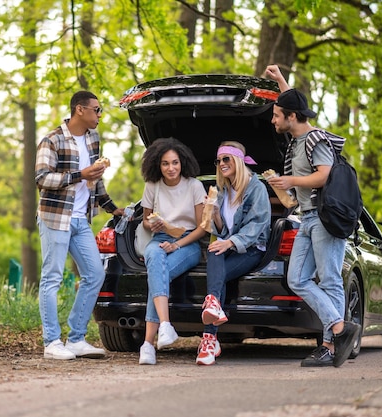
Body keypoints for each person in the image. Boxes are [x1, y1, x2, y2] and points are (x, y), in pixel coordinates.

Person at [264, 65, 361, 367]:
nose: (273, 119)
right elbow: (292, 103)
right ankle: (340, 327)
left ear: (291, 117)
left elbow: (324, 175)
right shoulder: (297, 136)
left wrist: (291, 181)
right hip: (306, 218)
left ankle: (331, 347)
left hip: (323, 218)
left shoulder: (315, 140)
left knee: (331, 280)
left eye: (277, 115)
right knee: (297, 279)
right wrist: (281, 81)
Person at [35, 91, 124, 360]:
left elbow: (95, 179)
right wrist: (78, 175)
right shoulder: (52, 140)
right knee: (52, 278)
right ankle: (51, 342)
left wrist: (111, 207)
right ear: (79, 110)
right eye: (96, 110)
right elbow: (41, 178)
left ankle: (75, 339)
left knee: (95, 274)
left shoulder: (93, 139)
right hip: (55, 217)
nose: (100, 115)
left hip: (81, 219)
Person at [196, 141, 271, 365]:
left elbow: (257, 226)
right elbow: (222, 230)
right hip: (227, 248)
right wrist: (215, 213)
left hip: (251, 249)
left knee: (216, 258)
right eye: (218, 160)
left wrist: (229, 242)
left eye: (226, 159)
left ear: (238, 159)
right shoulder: (223, 191)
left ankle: (209, 339)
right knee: (214, 250)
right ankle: (212, 314)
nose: (221, 164)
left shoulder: (256, 188)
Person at [138, 137, 207, 365]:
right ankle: (165, 327)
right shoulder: (152, 186)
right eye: (166, 163)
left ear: (182, 162)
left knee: (157, 274)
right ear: (158, 165)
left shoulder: (194, 186)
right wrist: (152, 224)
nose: (171, 168)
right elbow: (145, 221)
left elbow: (202, 228)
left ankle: (148, 344)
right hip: (160, 237)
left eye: (175, 163)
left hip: (188, 242)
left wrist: (177, 244)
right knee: (154, 257)